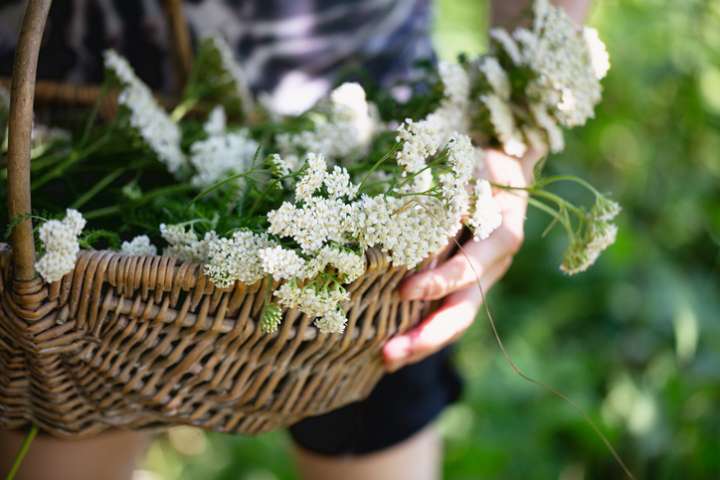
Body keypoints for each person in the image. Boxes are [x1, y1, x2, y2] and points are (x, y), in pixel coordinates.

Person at [0, 1, 589, 479]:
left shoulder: (389, 191)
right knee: (61, 435)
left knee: (374, 430)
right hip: (65, 115)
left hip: (371, 146)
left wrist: (514, 141)